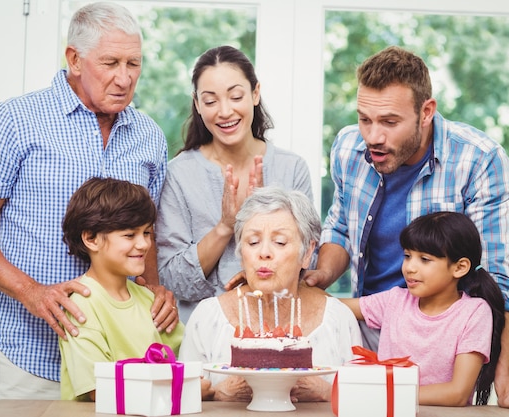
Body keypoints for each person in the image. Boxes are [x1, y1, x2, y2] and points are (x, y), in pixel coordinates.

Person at [0, 2, 178, 400]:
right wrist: (32, 292)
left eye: (133, 64)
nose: (124, 78)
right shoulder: (14, 122)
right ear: (74, 58)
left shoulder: (149, 136)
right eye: (110, 62)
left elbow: (146, 234)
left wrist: (154, 291)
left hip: (119, 363)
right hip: (31, 356)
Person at [302, 45, 509, 410]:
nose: (372, 136)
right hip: (365, 328)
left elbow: (496, 279)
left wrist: (505, 383)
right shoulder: (347, 148)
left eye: (389, 122)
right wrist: (321, 274)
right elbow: (340, 230)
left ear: (426, 112)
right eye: (364, 119)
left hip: (435, 346)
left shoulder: (478, 160)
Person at [157, 45, 313, 323]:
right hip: (201, 335)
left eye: (236, 96)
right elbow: (171, 279)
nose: (225, 111)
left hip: (278, 330)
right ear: (197, 104)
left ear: (255, 94)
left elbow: (306, 261)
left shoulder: (292, 168)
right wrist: (226, 226)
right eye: (210, 101)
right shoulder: (179, 174)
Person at [179, 187, 361, 402]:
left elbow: (362, 399)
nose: (263, 253)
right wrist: (217, 394)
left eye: (280, 242)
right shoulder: (207, 318)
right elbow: (182, 398)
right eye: (253, 242)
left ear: (308, 252)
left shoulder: (338, 320)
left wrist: (330, 393)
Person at [342, 211, 505, 406]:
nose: (410, 267)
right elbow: (334, 306)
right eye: (407, 256)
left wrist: (381, 394)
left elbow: (457, 393)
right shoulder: (395, 300)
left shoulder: (474, 312)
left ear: (459, 267)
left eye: (424, 259)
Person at [58, 177, 185, 401]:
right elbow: (100, 390)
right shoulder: (81, 305)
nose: (144, 244)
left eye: (146, 233)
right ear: (90, 238)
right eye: (129, 235)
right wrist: (189, 390)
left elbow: (187, 361)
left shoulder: (149, 299)